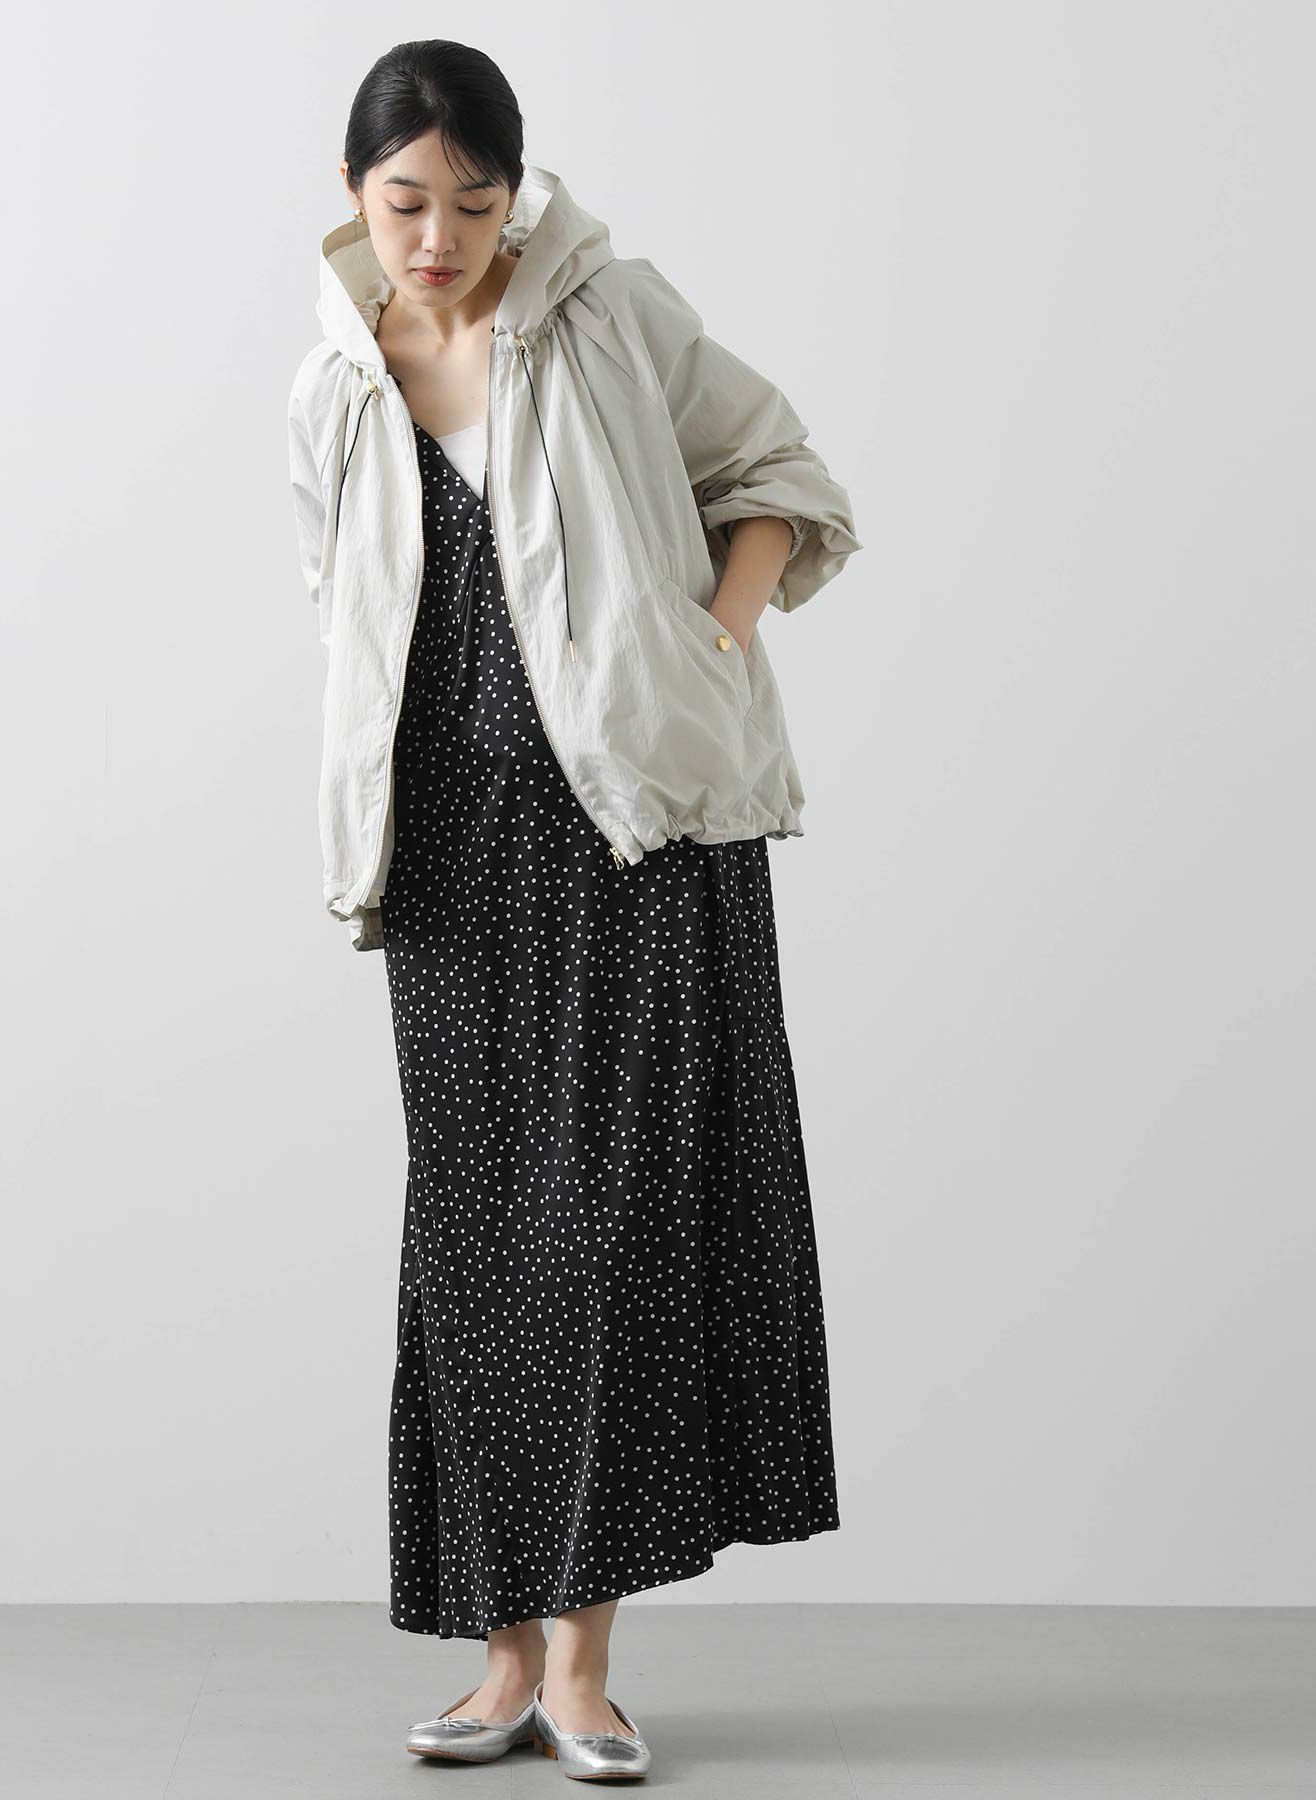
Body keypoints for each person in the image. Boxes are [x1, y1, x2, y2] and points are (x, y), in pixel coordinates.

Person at [287, 38, 862, 1783]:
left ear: (515, 195)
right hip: (448, 863)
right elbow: (342, 601)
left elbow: (780, 474)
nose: (438, 240)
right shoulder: (333, 386)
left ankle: (587, 1665)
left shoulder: (607, 313)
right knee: (478, 1251)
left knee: (608, 1236)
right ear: (352, 194)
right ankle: (499, 1657)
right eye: (406, 203)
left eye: (472, 205)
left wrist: (713, 634)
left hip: (632, 842)